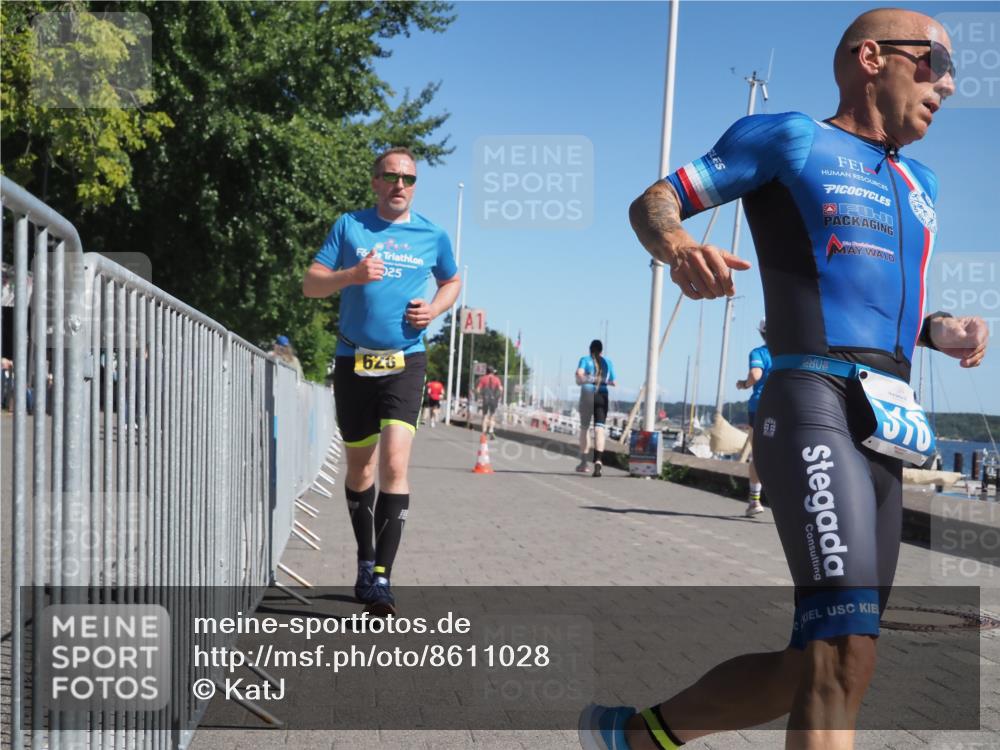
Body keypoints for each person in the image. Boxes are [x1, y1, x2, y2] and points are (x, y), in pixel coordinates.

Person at [582, 9, 989, 750]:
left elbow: (873, 298)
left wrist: (940, 330)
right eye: (932, 61)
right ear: (872, 58)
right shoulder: (790, 136)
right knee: (843, 653)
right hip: (811, 403)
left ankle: (635, 738)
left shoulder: (921, 181)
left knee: (824, 661)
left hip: (887, 422)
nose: (948, 84)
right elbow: (655, 200)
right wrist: (677, 245)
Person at [302, 146, 460, 615]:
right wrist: (351, 274)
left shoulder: (432, 234)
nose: (400, 185)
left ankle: (382, 578)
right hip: (354, 360)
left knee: (394, 464)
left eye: (408, 179)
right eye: (391, 177)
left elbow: (451, 282)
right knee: (361, 470)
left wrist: (435, 308)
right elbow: (311, 283)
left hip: (406, 361)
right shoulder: (349, 226)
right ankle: (364, 557)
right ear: (375, 182)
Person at [735, 318, 772, 517]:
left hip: (760, 407)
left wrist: (744, 384)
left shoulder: (759, 353)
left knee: (758, 454)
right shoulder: (789, 353)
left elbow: (755, 375)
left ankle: (754, 501)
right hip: (786, 407)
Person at [575, 339, 616, 478]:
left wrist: (586, 379)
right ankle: (598, 461)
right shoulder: (608, 363)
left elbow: (579, 374)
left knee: (584, 428)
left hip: (587, 394)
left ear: (590, 349)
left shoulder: (585, 360)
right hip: (602, 396)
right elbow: (614, 382)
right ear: (601, 351)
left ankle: (584, 463)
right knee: (599, 428)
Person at [476, 365, 503, 439]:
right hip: (493, 399)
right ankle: (491, 431)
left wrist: (481, 395)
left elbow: (478, 389)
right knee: (492, 416)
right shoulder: (497, 379)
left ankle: (484, 432)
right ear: (493, 372)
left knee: (485, 416)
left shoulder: (483, 379)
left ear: (486, 371)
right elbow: (501, 389)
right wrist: (498, 396)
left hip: (486, 399)